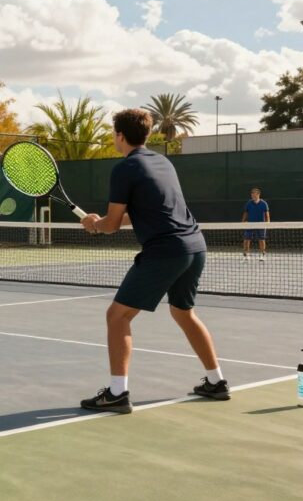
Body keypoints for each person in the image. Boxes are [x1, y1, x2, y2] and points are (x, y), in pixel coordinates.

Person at [79, 108, 230, 414]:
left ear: (120, 136)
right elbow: (142, 213)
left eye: (113, 133)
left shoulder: (124, 168)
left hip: (165, 250)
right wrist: (103, 221)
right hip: (194, 247)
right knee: (184, 313)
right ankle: (217, 382)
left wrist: (96, 223)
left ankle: (117, 393)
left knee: (117, 317)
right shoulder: (163, 162)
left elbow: (111, 224)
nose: (113, 137)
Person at [241, 187, 270, 262]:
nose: (252, 195)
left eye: (254, 194)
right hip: (250, 224)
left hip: (261, 224)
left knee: (261, 240)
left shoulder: (264, 204)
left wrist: (267, 223)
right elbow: (245, 213)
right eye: (252, 194)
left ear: (258, 194)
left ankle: (262, 255)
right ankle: (245, 255)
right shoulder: (249, 203)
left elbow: (267, 214)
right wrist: (243, 221)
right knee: (246, 240)